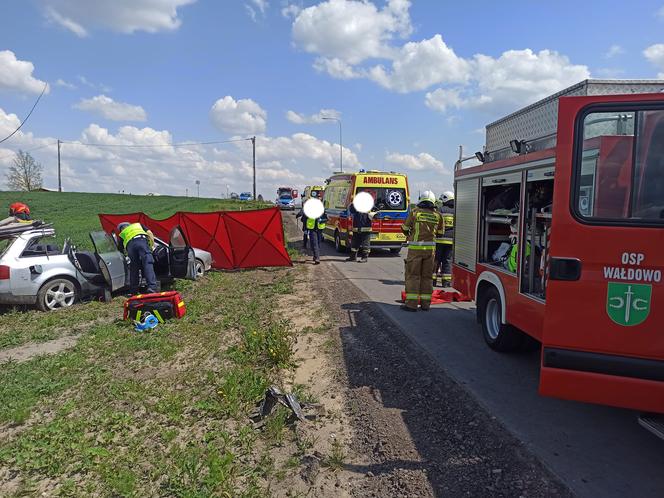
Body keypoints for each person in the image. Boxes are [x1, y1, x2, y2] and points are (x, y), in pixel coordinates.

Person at [401, 191, 445, 312]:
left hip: (415, 251)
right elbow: (441, 233)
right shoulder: (438, 215)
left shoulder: (415, 213)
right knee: (427, 277)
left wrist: (409, 234)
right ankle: (426, 304)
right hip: (430, 251)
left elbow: (404, 228)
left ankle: (411, 305)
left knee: (413, 276)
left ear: (421, 200)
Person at [117, 222, 158, 295]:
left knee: (134, 268)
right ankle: (152, 287)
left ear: (121, 229)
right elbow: (150, 233)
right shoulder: (138, 225)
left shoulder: (122, 234)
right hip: (141, 241)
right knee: (148, 263)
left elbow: (120, 250)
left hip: (130, 246)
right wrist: (151, 246)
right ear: (129, 225)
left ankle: (133, 291)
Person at [433, 191, 455, 287]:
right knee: (447, 260)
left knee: (436, 259)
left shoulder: (440, 210)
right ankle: (446, 282)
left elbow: (435, 224)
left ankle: (432, 280)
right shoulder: (456, 211)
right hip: (451, 241)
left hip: (439, 240)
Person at [346, 196, 376, 263]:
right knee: (354, 244)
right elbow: (351, 210)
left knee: (365, 245)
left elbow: (376, 212)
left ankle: (364, 257)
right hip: (356, 229)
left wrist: (373, 214)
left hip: (366, 229)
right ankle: (353, 257)